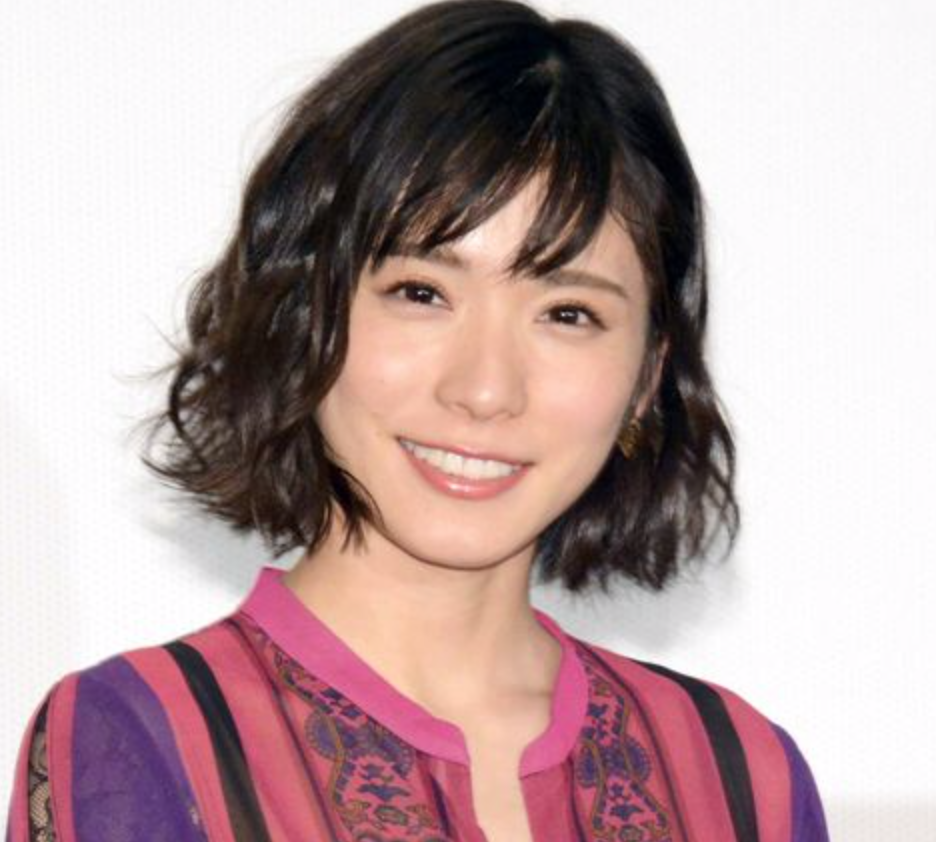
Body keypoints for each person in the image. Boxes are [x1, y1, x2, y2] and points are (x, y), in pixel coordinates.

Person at [5, 1, 830, 840]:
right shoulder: (145, 742)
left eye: (568, 313)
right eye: (422, 293)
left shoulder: (743, 780)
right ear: (305, 315)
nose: (485, 388)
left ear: (648, 375)